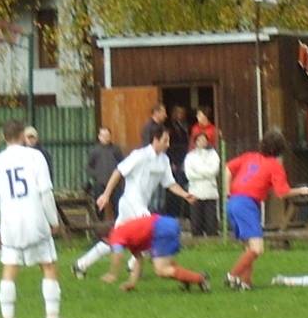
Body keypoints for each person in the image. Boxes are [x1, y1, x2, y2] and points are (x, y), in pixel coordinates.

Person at [72, 125, 197, 279]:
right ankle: (132, 265)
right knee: (151, 229)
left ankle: (81, 264)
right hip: (130, 201)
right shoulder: (140, 155)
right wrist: (106, 195)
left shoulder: (164, 159)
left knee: (115, 238)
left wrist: (185, 194)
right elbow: (118, 171)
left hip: (140, 204)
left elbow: (169, 183)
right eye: (165, 140)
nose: (168, 144)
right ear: (155, 140)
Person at [0, 119, 71, 318]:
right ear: (22, 135)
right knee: (48, 265)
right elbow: (45, 192)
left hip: (11, 223)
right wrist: (53, 221)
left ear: (4, 138)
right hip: (35, 218)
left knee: (10, 269)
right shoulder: (35, 156)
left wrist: (6, 203)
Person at [225, 130, 308, 290]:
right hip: (247, 204)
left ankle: (246, 283)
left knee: (249, 247)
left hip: (232, 202)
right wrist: (301, 190)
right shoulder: (275, 165)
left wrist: (227, 190)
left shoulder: (249, 156)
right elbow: (282, 193)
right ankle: (232, 276)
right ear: (280, 149)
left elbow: (228, 168)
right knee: (258, 248)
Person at [99, 214, 211, 292]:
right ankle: (187, 279)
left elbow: (117, 254)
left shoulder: (115, 236)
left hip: (161, 229)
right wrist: (131, 283)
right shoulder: (125, 234)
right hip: (166, 223)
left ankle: (200, 279)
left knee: (161, 269)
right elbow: (139, 260)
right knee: (158, 262)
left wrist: (113, 274)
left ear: (105, 239)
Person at [84, 127, 124, 220]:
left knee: (117, 208)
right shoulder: (95, 150)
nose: (106, 138)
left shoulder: (116, 149)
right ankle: (100, 231)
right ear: (99, 137)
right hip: (99, 184)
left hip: (115, 184)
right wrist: (97, 175)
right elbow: (88, 167)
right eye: (103, 136)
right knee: (99, 208)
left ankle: (117, 229)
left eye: (108, 135)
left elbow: (122, 164)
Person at [184, 132, 220, 237]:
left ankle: (212, 239)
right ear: (195, 142)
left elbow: (214, 170)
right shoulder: (190, 156)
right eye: (200, 140)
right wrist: (205, 173)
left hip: (210, 191)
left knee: (210, 219)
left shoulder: (213, 154)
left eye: (205, 139)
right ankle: (197, 240)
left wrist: (198, 172)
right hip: (195, 191)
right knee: (196, 219)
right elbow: (189, 174)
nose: (203, 142)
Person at [164, 105, 190, 218]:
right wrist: (171, 161)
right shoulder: (170, 127)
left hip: (184, 157)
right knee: (174, 185)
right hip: (174, 158)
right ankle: (173, 212)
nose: (181, 115)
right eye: (179, 113)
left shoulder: (186, 125)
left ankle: (183, 213)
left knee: (184, 185)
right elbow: (169, 147)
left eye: (183, 113)